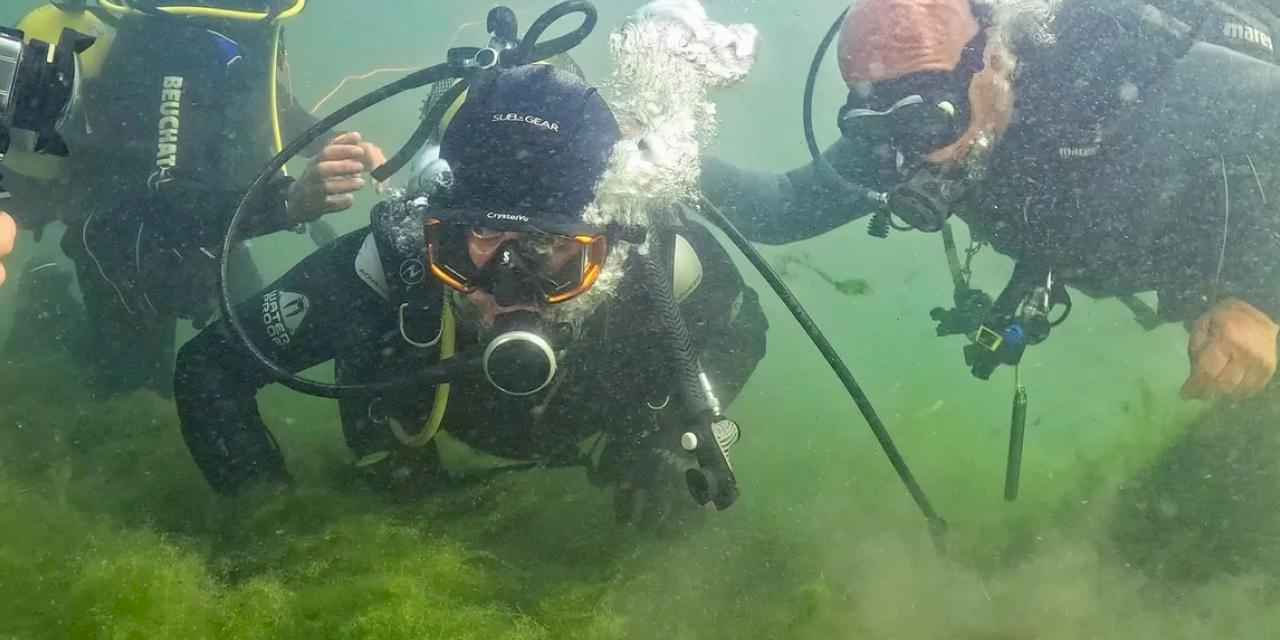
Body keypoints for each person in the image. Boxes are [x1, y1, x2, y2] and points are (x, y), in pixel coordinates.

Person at [173, 61, 769, 528]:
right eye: (482, 235)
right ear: (438, 229)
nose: (511, 282)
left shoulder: (659, 268)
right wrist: (272, 520)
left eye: (551, 246)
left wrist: (661, 439)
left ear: (609, 243)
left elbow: (745, 330)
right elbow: (209, 369)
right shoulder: (392, 266)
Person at [699, 0, 1280, 401]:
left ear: (994, 64)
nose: (917, 159)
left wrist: (1262, 300)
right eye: (880, 124)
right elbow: (775, 210)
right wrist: (637, 152)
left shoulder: (1108, 75)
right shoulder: (903, 140)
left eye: (929, 119)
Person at [0, 0, 383, 396]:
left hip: (214, 231)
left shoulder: (239, 29)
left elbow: (267, 102)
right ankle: (45, 310)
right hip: (128, 251)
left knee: (249, 340)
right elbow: (169, 201)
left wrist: (333, 140)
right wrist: (291, 202)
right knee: (131, 386)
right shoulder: (172, 41)